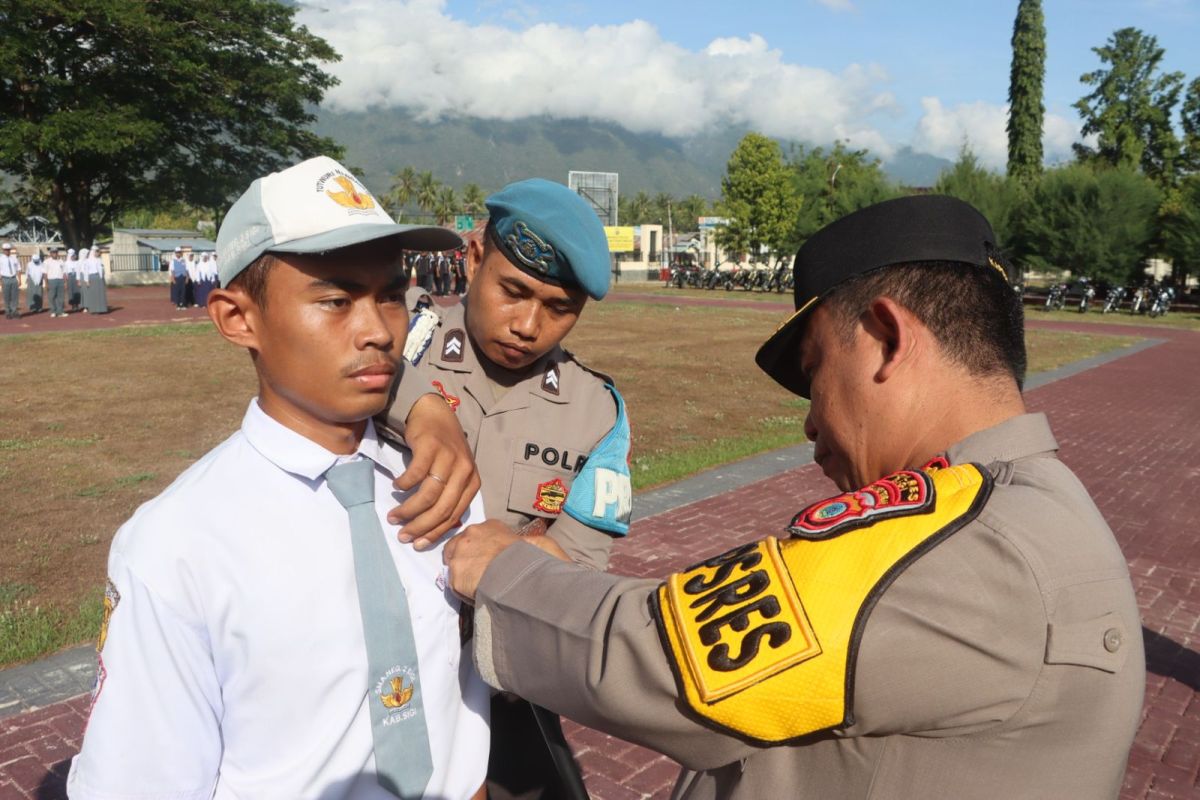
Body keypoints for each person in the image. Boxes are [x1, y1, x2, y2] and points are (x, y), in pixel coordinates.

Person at [444, 195, 1145, 799]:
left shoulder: (964, 543)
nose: (810, 420)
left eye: (814, 372)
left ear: (886, 337)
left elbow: (667, 656)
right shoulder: (1034, 508)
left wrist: (502, 570)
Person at [67, 155, 491, 800]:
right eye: (335, 300)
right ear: (238, 319)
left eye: (389, 296)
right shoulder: (178, 544)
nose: (379, 330)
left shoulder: (441, 479)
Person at [382, 177, 631, 800]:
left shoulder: (594, 412)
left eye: (559, 308)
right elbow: (316, 367)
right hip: (374, 665)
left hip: (499, 679)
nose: (528, 325)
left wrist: (530, 563)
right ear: (471, 259)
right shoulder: (400, 339)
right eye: (513, 291)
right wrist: (420, 407)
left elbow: (577, 571)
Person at [0, 242, 21, 319]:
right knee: (7, 296)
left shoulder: (14, 258)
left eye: (8, 249)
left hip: (13, 278)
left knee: (15, 296)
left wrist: (19, 280)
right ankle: (8, 312)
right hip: (5, 279)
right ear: (3, 250)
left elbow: (18, 268)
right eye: (5, 250)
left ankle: (14, 311)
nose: (7, 251)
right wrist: (1, 282)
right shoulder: (1, 259)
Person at [45, 248, 66, 317]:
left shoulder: (61, 261)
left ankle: (60, 311)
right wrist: (46, 283)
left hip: (60, 280)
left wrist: (65, 282)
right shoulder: (47, 261)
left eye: (56, 252)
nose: (54, 254)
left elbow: (64, 272)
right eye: (53, 252)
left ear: (57, 253)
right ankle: (53, 311)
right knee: (52, 296)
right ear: (50, 254)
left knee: (61, 296)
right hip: (51, 280)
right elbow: (45, 273)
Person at [65, 248, 83, 312]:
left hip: (76, 277)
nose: (73, 257)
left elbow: (78, 270)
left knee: (77, 290)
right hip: (69, 277)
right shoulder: (66, 263)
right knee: (71, 291)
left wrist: (79, 279)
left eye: (74, 255)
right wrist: (66, 281)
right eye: (72, 256)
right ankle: (73, 305)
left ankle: (77, 304)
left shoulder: (77, 262)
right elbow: (65, 272)